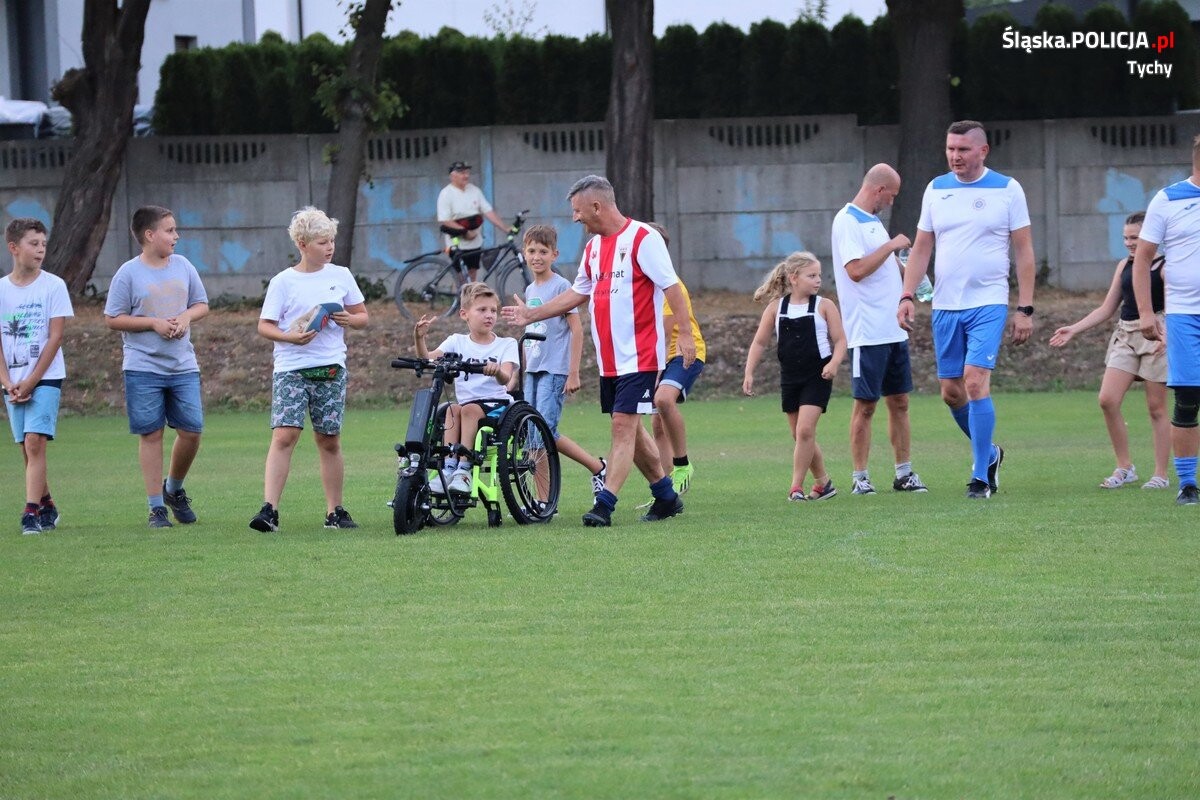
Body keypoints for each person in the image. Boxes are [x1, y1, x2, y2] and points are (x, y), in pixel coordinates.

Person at [501, 175, 695, 527]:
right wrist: (532, 313)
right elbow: (576, 294)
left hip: (641, 356)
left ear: (596, 206)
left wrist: (684, 337)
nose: (575, 219)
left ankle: (604, 504)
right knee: (632, 432)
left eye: (577, 211)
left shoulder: (643, 238)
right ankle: (666, 496)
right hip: (609, 360)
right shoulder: (592, 249)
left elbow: (672, 287)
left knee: (622, 427)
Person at [897, 119, 1036, 500]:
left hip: (988, 302)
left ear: (982, 151)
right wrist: (907, 295)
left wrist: (1024, 308)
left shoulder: (1007, 189)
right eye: (950, 149)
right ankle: (990, 453)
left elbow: (1023, 251)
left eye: (962, 150)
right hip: (945, 305)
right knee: (952, 393)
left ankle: (979, 477)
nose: (955, 157)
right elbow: (922, 247)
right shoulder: (936, 189)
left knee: (975, 382)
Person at [249, 207, 369, 532]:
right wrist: (290, 337)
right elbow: (264, 326)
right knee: (285, 434)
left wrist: (348, 319)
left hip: (330, 368)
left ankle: (335, 512)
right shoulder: (283, 282)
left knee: (329, 440)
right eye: (321, 242)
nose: (329, 247)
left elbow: (362, 317)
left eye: (331, 240)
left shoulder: (341, 275)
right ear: (302, 244)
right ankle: (269, 510)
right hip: (292, 367)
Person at [105, 206, 209, 528]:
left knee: (191, 430)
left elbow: (201, 304)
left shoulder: (184, 266)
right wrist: (153, 323)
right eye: (170, 230)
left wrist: (185, 317)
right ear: (150, 235)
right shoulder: (128, 273)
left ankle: (173, 489)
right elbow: (112, 318)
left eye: (175, 230)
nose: (176, 236)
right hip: (142, 366)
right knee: (152, 433)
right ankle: (156, 509)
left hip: (182, 364)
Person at [1050, 211, 1170, 489]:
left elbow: (1174, 308)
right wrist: (1074, 329)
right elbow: (1107, 308)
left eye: (1135, 237)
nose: (1129, 243)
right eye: (1126, 238)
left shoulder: (1164, 267)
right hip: (1125, 334)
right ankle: (1125, 467)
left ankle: (1160, 475)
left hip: (1156, 336)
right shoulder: (1123, 266)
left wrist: (1169, 336)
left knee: (1156, 408)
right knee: (1107, 399)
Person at [831, 164, 927, 496]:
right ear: (879, 190)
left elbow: (887, 267)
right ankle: (860, 477)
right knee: (866, 404)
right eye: (892, 195)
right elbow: (856, 270)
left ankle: (904, 473)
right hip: (867, 331)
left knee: (899, 401)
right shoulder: (847, 221)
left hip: (893, 330)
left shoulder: (873, 223)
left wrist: (912, 278)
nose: (891, 202)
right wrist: (891, 246)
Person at [743, 252, 847, 501]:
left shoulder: (825, 305)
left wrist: (834, 363)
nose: (818, 280)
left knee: (804, 431)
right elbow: (759, 342)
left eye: (819, 275)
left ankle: (795, 487)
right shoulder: (776, 308)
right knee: (800, 435)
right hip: (790, 377)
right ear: (794, 278)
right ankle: (823, 483)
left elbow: (841, 340)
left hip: (818, 375)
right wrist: (749, 372)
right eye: (811, 275)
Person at [1133, 134, 1200, 506]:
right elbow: (1142, 259)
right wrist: (1145, 312)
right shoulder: (1168, 198)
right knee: (1189, 397)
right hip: (1185, 315)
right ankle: (1188, 484)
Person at [518, 224, 608, 495]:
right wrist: (519, 372)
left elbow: (576, 329)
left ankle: (596, 468)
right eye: (532, 250)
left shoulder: (563, 287)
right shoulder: (530, 290)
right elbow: (530, 334)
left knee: (544, 432)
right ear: (524, 253)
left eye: (543, 251)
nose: (537, 257)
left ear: (554, 255)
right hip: (532, 371)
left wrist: (573, 372)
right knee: (534, 435)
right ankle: (545, 501)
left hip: (554, 369)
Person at [0, 219, 73, 534]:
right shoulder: (1, 289)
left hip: (45, 377)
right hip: (12, 382)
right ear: (14, 247)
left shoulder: (54, 286)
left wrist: (31, 381)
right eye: (33, 243)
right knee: (26, 449)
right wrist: (7, 382)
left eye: (43, 244)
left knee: (34, 442)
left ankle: (30, 513)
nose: (41, 250)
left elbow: (55, 337)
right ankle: (47, 504)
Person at [415, 282, 519, 497]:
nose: (489, 315)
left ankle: (464, 470)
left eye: (493, 310)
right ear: (465, 314)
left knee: (469, 409)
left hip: (497, 406)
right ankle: (448, 468)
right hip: (465, 408)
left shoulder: (506, 344)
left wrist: (497, 371)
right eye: (482, 310)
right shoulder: (457, 341)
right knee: (452, 410)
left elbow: (507, 378)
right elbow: (428, 359)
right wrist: (420, 338)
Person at [645, 222, 704, 496]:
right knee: (658, 424)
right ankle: (668, 492)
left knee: (663, 400)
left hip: (683, 353)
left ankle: (683, 464)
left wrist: (654, 370)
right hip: (658, 355)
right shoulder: (644, 283)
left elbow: (666, 331)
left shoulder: (669, 283)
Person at [437, 160, 507, 281]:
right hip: (456, 243)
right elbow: (445, 220)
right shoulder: (446, 194)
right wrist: (465, 232)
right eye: (462, 173)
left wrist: (505, 228)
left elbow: (488, 211)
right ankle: (459, 299)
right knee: (460, 277)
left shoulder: (474, 190)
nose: (466, 175)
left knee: (472, 274)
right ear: (453, 176)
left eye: (467, 172)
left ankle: (468, 299)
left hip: (475, 242)